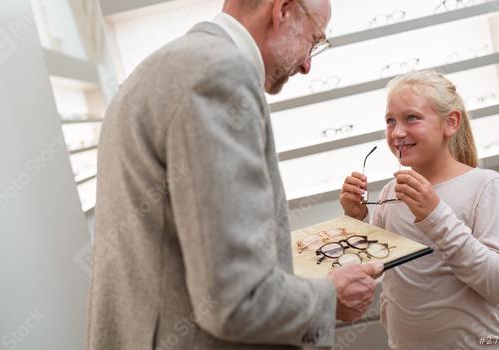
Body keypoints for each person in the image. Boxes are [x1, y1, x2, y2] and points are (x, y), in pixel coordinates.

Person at [87, 1, 383, 349]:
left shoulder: (162, 67)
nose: (306, 64)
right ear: (283, 10)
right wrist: (329, 297)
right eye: (313, 39)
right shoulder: (220, 75)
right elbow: (236, 298)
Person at [340, 70, 499, 349]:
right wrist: (357, 219)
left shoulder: (486, 186)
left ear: (450, 122)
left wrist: (435, 215)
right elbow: (372, 267)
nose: (397, 132)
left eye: (411, 118)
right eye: (390, 121)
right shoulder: (390, 193)